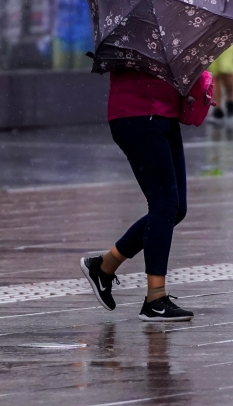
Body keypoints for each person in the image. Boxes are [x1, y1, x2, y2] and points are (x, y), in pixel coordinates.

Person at [80, 69, 193, 322]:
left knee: (176, 208)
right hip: (139, 115)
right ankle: (155, 298)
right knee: (164, 204)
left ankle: (104, 267)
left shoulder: (165, 33)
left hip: (165, 114)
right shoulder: (129, 34)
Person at [206, 44, 233, 125]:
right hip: (210, 39)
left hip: (227, 36)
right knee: (214, 74)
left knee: (226, 70)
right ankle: (218, 108)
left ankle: (230, 102)